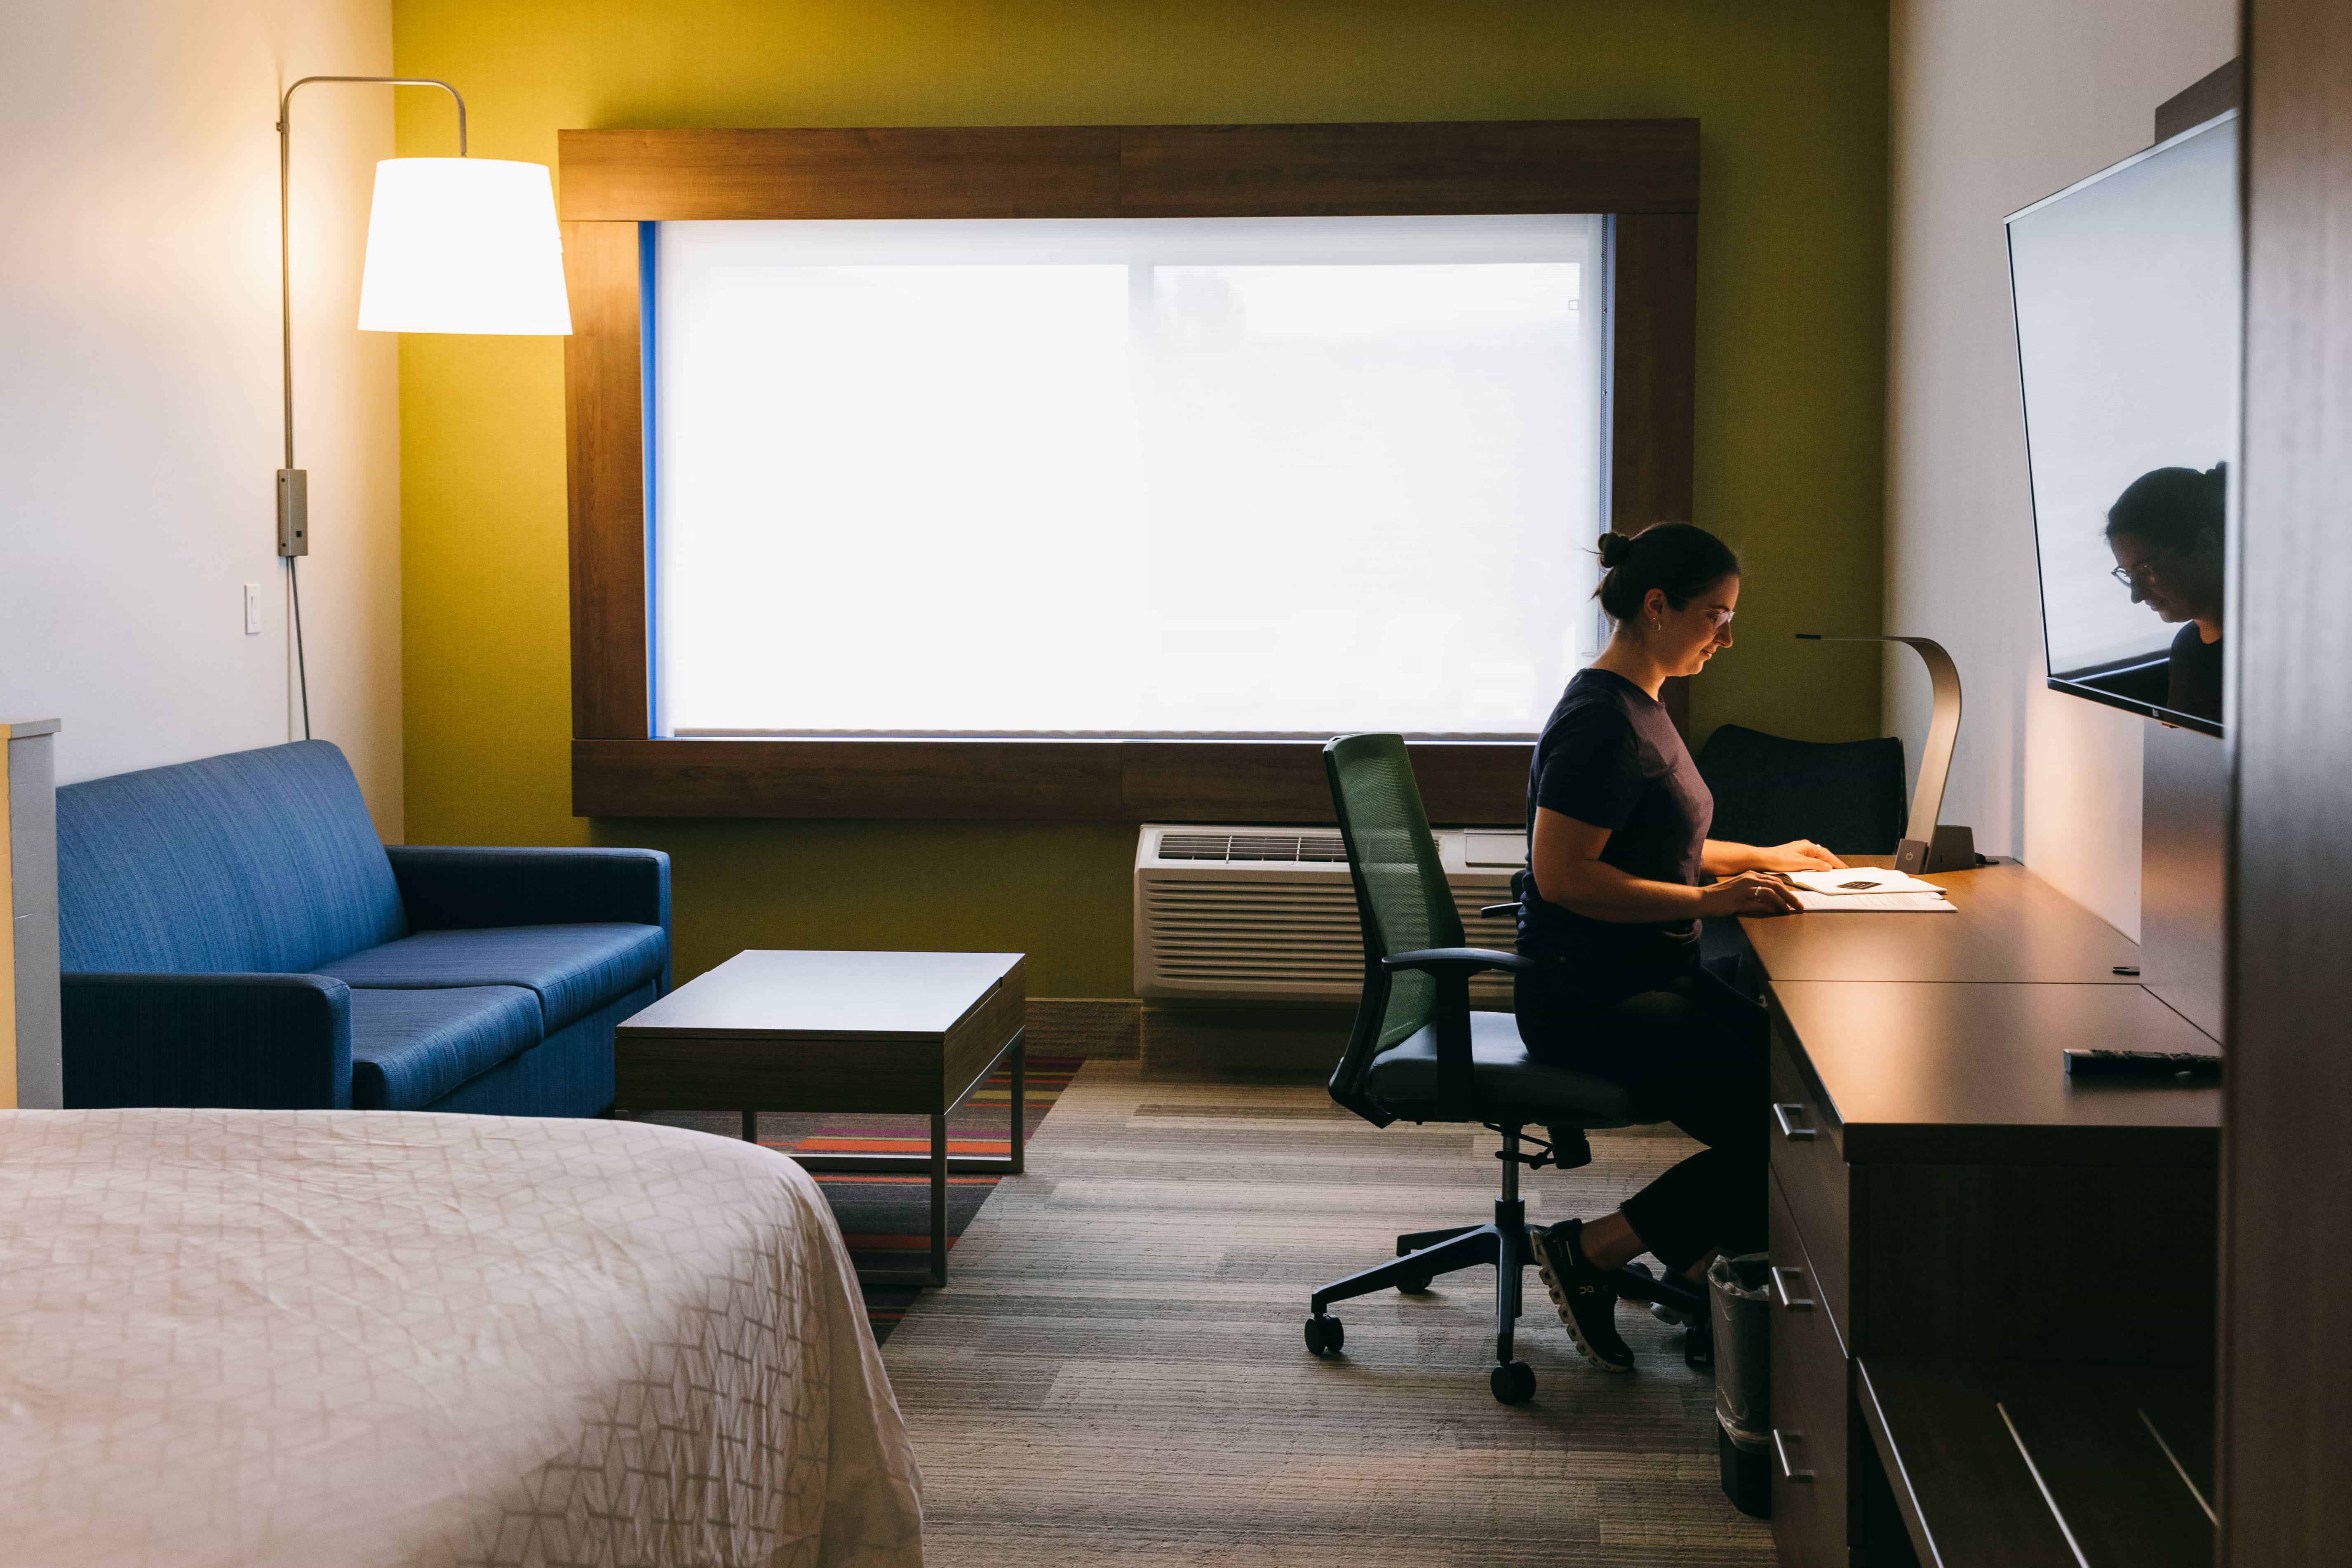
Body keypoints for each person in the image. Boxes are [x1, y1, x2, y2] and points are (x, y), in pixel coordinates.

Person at [1517, 522, 1843, 1372]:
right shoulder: (1599, 722)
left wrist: (1763, 856)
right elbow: (1562, 876)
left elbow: (1658, 840)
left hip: (1652, 974)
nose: (1725, 636)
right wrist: (1709, 898)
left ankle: (1702, 1264)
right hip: (1588, 996)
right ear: (1655, 607)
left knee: (1800, 1096)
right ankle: (1592, 1248)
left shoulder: (1642, 705)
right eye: (1713, 615)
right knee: (1789, 1131)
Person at [2105, 463, 2227, 724]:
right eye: (2128, 575)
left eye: (2146, 568)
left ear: (2207, 545)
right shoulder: (2187, 647)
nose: (2136, 595)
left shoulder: (2270, 652)